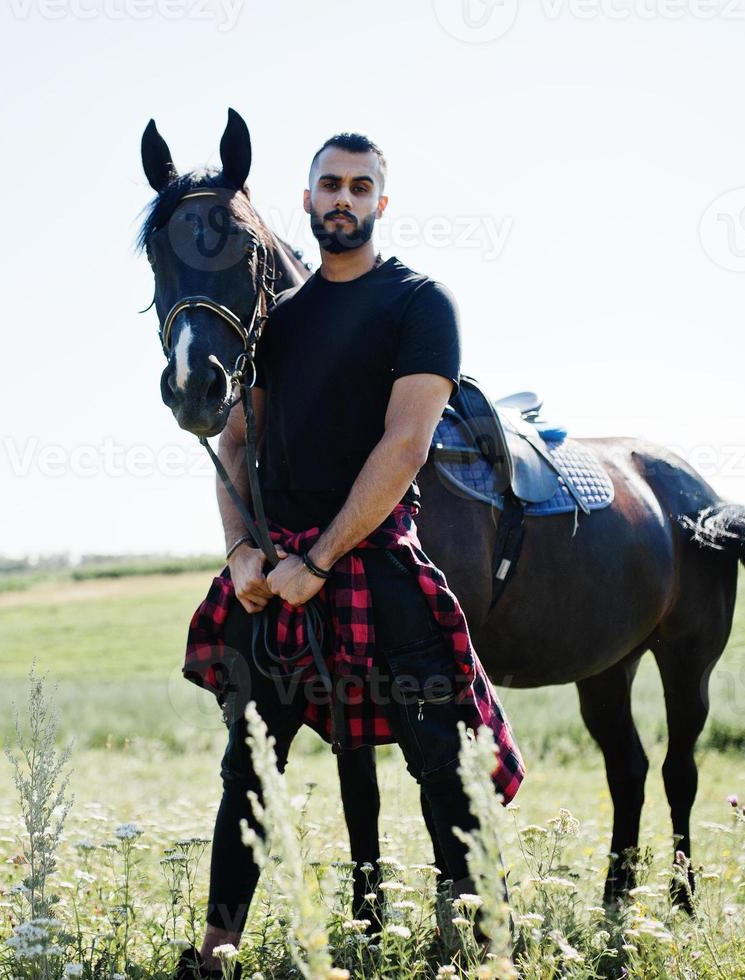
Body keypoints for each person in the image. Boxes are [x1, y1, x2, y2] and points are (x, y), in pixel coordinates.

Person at [176, 132, 523, 979]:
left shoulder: (417, 302)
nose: (343, 198)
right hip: (276, 582)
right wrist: (241, 554)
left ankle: (486, 955)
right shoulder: (273, 320)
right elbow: (236, 442)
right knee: (247, 775)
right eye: (328, 184)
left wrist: (319, 561)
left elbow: (405, 445)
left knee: (443, 769)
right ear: (303, 200)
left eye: (360, 186)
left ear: (380, 202)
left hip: (374, 565)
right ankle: (216, 954)